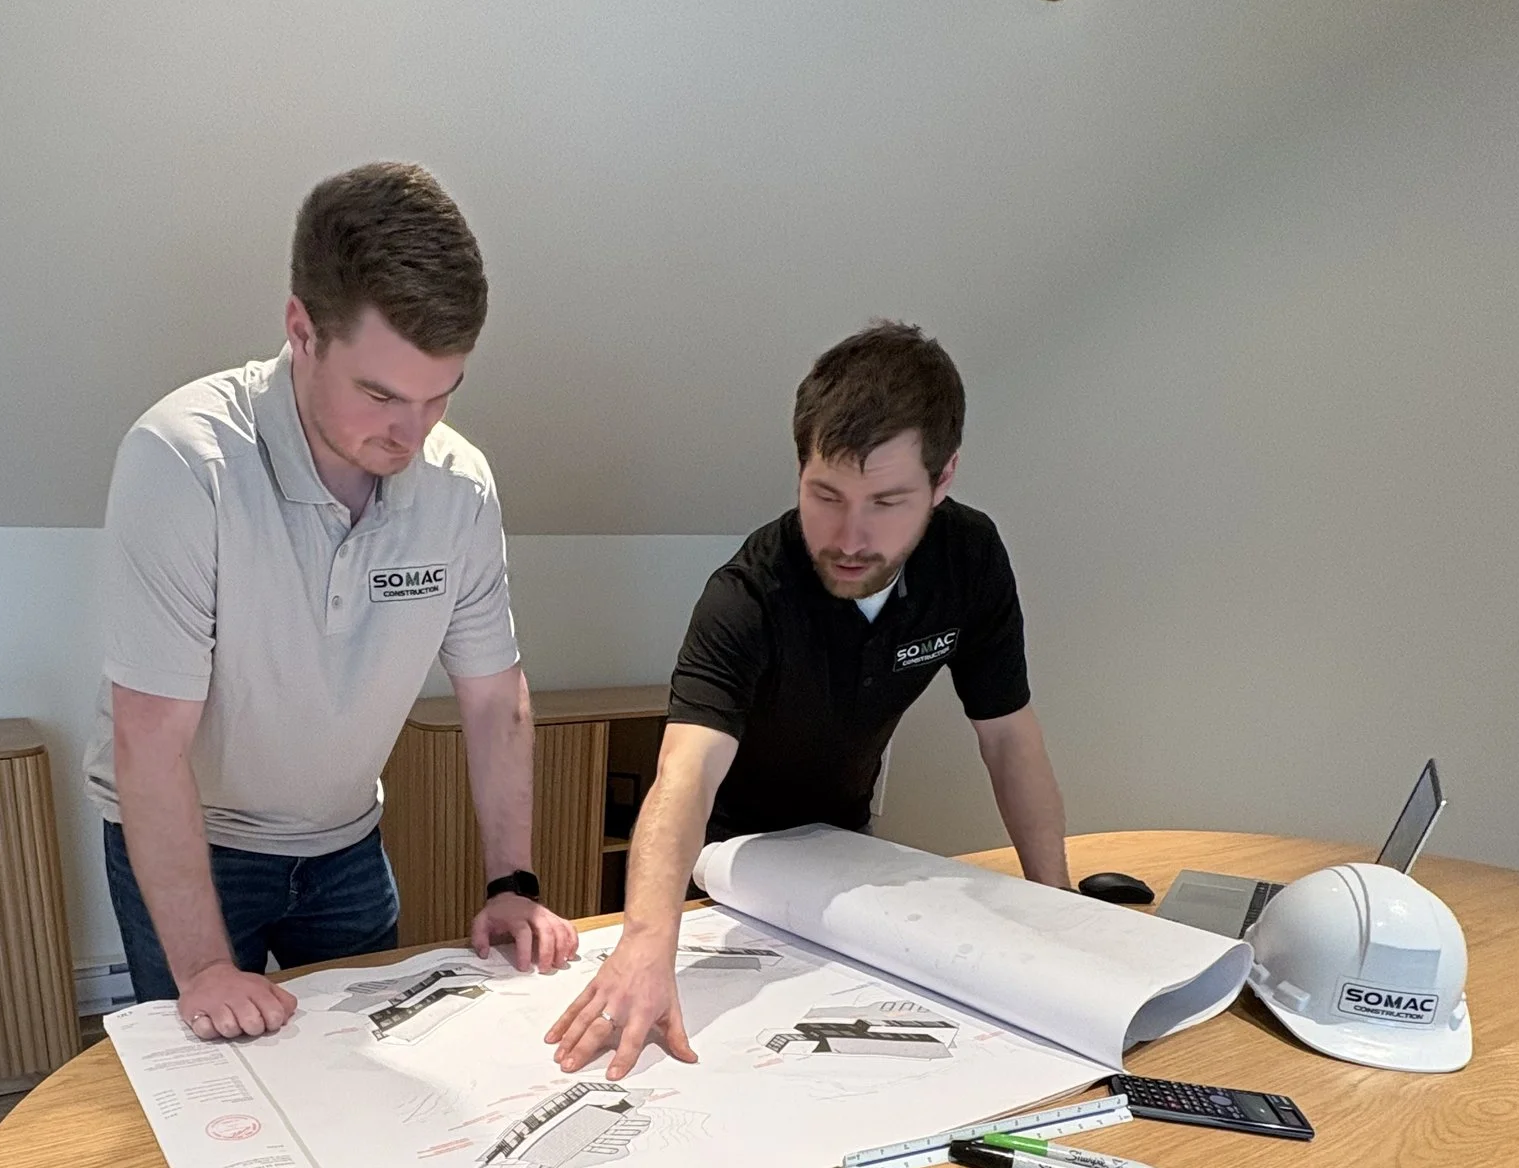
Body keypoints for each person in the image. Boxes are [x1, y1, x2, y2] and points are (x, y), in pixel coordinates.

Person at [86, 163, 578, 1041]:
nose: (410, 432)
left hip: (347, 843)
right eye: (381, 394)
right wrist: (202, 969)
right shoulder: (183, 461)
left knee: (364, 1068)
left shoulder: (457, 486)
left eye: (440, 396)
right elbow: (147, 735)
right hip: (201, 839)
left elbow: (495, 696)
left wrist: (513, 884)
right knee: (202, 1078)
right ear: (301, 330)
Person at [547, 320, 1070, 1078]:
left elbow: (1009, 738)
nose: (851, 535)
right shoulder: (748, 595)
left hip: (847, 850)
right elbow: (684, 775)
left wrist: (1056, 908)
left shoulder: (971, 559)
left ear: (943, 477)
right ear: (799, 469)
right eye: (826, 495)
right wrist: (645, 941)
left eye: (888, 501)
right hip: (726, 864)